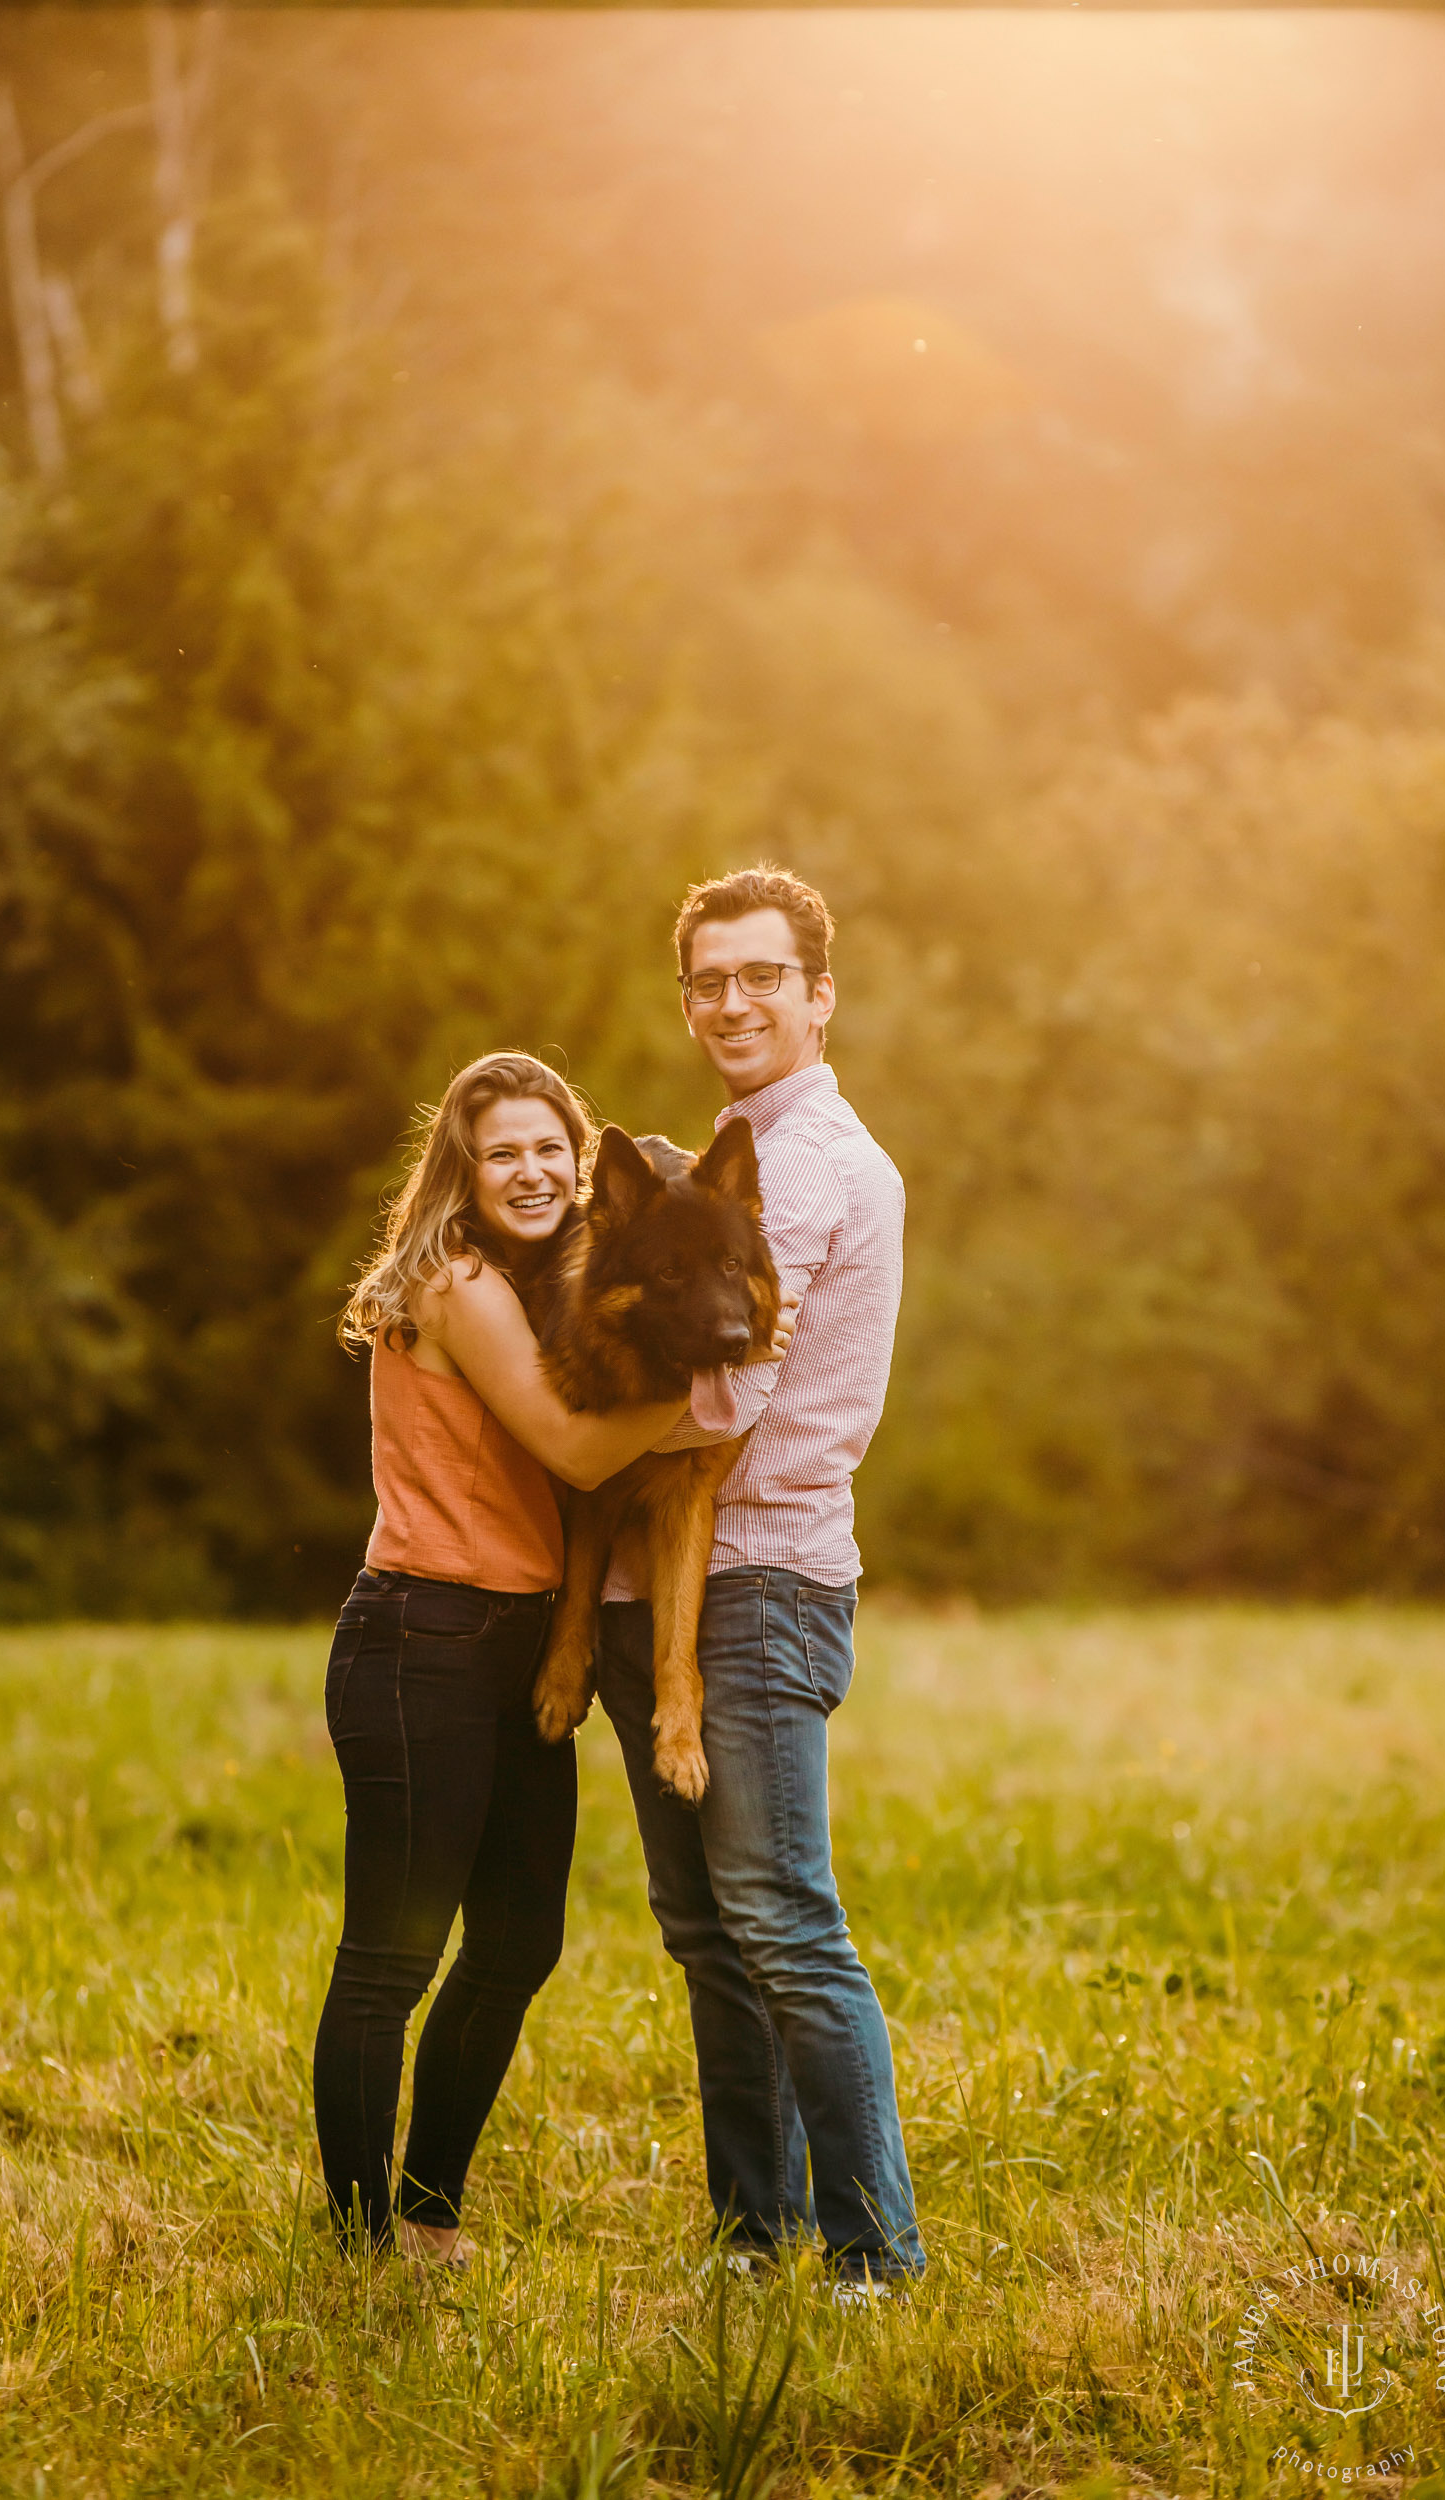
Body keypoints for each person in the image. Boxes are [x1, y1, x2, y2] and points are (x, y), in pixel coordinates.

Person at [593, 864, 926, 2292]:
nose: (733, 1000)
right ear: (688, 1000)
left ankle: (873, 2253)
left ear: (816, 994)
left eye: (761, 977)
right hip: (661, 1576)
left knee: (778, 1921)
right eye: (709, 981)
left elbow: (717, 1390)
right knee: (708, 1935)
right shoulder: (735, 1149)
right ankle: (753, 2231)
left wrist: (542, 1428)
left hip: (755, 1578)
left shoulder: (805, 1163)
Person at [317, 1052, 697, 2266]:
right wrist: (728, 1379)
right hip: (419, 1638)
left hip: (519, 1646)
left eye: (551, 1150)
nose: (529, 1172)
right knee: (392, 1958)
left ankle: (427, 2212)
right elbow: (574, 1453)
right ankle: (363, 2234)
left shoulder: (547, 1290)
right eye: (501, 1153)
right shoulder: (461, 1283)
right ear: (462, 1172)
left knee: (520, 1938)